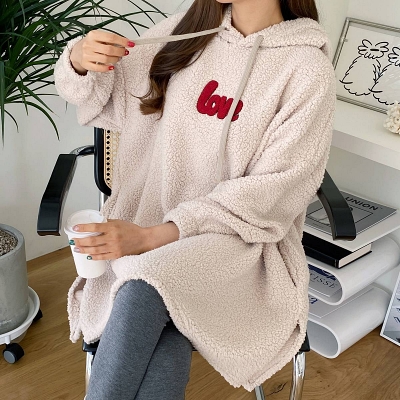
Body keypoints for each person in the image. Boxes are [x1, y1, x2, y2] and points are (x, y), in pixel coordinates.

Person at [54, 0, 336, 398]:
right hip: (150, 218)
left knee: (144, 283)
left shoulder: (307, 71)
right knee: (164, 335)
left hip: (240, 243)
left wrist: (151, 237)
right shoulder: (181, 34)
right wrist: (81, 60)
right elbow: (103, 93)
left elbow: (275, 190)